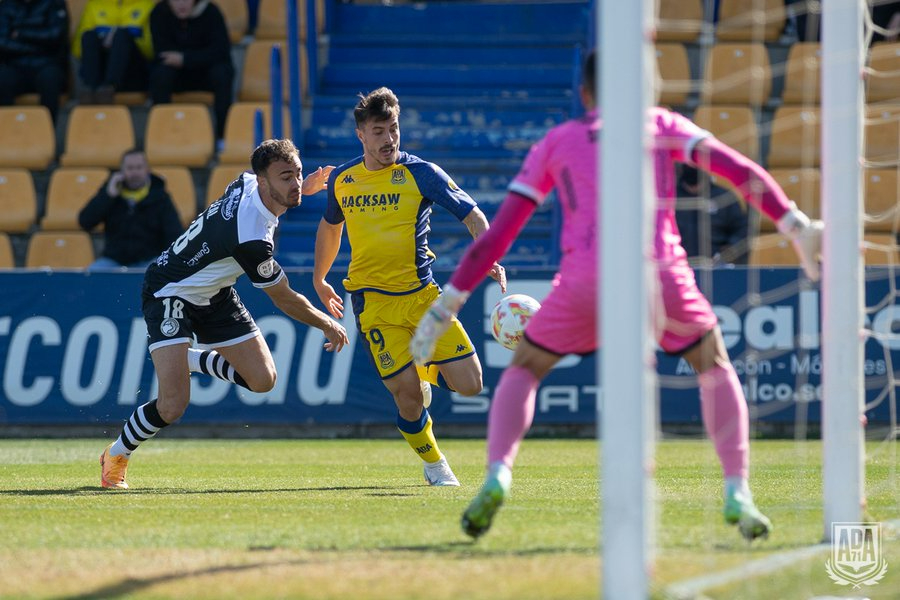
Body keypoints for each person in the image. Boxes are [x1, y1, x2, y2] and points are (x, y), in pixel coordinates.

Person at [411, 50, 824, 541]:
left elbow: (499, 234)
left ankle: (498, 474)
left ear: (585, 93)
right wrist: (794, 225)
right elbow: (737, 169)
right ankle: (738, 490)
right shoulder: (661, 124)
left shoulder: (558, 141)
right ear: (644, 86)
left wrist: (449, 303)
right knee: (713, 366)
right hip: (661, 275)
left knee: (524, 370)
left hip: (586, 278)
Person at [100, 139, 349, 489]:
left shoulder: (247, 181)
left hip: (215, 292)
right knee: (173, 406)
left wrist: (300, 189)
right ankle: (116, 455)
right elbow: (284, 299)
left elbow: (261, 191)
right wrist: (327, 323)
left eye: (298, 174)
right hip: (170, 290)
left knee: (263, 380)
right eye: (285, 177)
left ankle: (190, 359)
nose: (295, 183)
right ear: (263, 181)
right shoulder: (251, 239)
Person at [313, 87, 506, 487]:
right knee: (407, 397)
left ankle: (421, 369)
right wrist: (319, 278)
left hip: (423, 298)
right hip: (373, 304)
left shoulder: (422, 173)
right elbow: (331, 227)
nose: (389, 139)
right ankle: (436, 466)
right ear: (361, 135)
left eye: (394, 129)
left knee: (471, 384)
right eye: (379, 131)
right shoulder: (344, 180)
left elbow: (473, 215)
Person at [79, 149, 184, 270]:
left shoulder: (160, 197)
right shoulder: (110, 193)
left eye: (139, 167)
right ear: (121, 171)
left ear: (147, 170)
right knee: (92, 273)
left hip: (148, 261)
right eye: (129, 168)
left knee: (159, 271)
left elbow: (174, 234)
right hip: (113, 261)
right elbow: (85, 222)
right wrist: (108, 196)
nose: (134, 172)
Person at [148, 0, 234, 144]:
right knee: (160, 74)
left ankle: (222, 136)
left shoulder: (211, 12)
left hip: (206, 74)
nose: (181, 4)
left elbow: (220, 51)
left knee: (222, 73)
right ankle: (161, 134)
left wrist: (185, 59)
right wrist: (197, 57)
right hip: (177, 76)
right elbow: (162, 52)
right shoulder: (159, 12)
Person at [72, 0, 155, 104]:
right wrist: (103, 39)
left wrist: (121, 40)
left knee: (122, 36)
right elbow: (78, 49)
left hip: (132, 71)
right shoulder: (94, 5)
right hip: (101, 71)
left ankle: (109, 88)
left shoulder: (146, 5)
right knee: (89, 36)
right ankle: (89, 90)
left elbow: (151, 50)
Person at [0, 0, 68, 122]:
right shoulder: (6, 5)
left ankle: (47, 129)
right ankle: (7, 128)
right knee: (2, 79)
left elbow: (56, 35)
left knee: (51, 78)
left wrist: (20, 34)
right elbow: (2, 42)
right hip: (15, 65)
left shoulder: (54, 3)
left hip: (46, 64)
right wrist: (38, 45)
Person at [674, 164, 750, 265]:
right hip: (678, 266)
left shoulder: (724, 197)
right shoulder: (670, 198)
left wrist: (727, 254)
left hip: (718, 267)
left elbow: (742, 230)